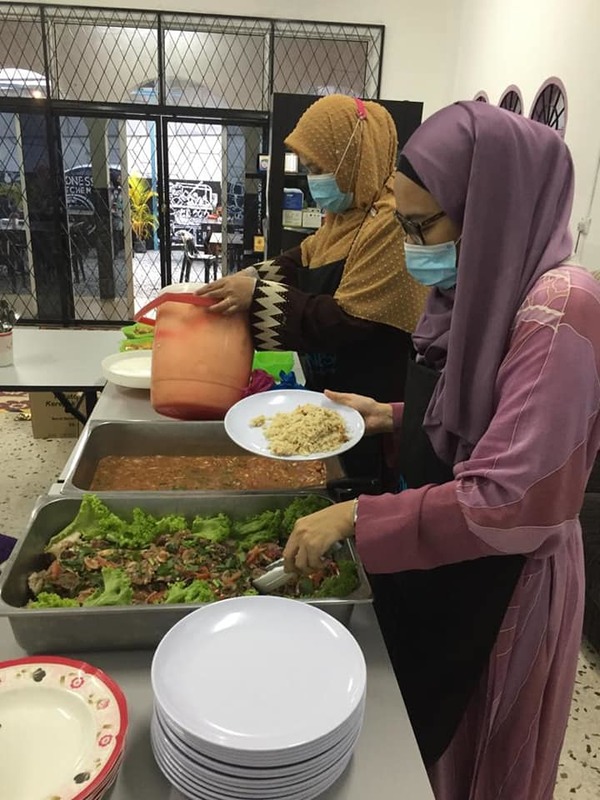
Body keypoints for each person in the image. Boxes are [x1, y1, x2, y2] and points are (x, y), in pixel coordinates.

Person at [281, 101, 600, 800]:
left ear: (488, 206)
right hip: (453, 556)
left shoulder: (562, 307)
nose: (411, 245)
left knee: (479, 757)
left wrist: (359, 519)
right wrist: (390, 416)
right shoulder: (472, 291)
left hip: (505, 585)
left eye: (423, 227)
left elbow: (511, 497)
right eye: (403, 224)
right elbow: (483, 415)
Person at [196, 94, 428, 485]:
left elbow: (348, 320)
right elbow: (301, 258)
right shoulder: (345, 215)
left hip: (373, 395)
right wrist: (251, 277)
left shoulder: (390, 222)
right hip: (333, 387)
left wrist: (255, 298)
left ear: (356, 159)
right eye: (308, 168)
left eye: (319, 168)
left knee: (359, 488)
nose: (312, 179)